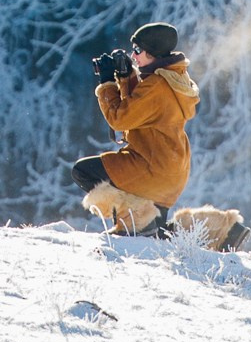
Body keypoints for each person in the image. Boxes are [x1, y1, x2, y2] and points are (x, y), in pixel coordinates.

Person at [71, 21, 200, 236]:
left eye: (138, 50)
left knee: (84, 172)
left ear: (153, 52)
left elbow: (120, 118)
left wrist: (107, 84)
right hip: (172, 171)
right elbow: (143, 106)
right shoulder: (174, 78)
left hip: (150, 168)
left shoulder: (157, 85)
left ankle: (135, 223)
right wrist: (126, 77)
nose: (134, 55)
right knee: (158, 234)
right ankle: (221, 229)